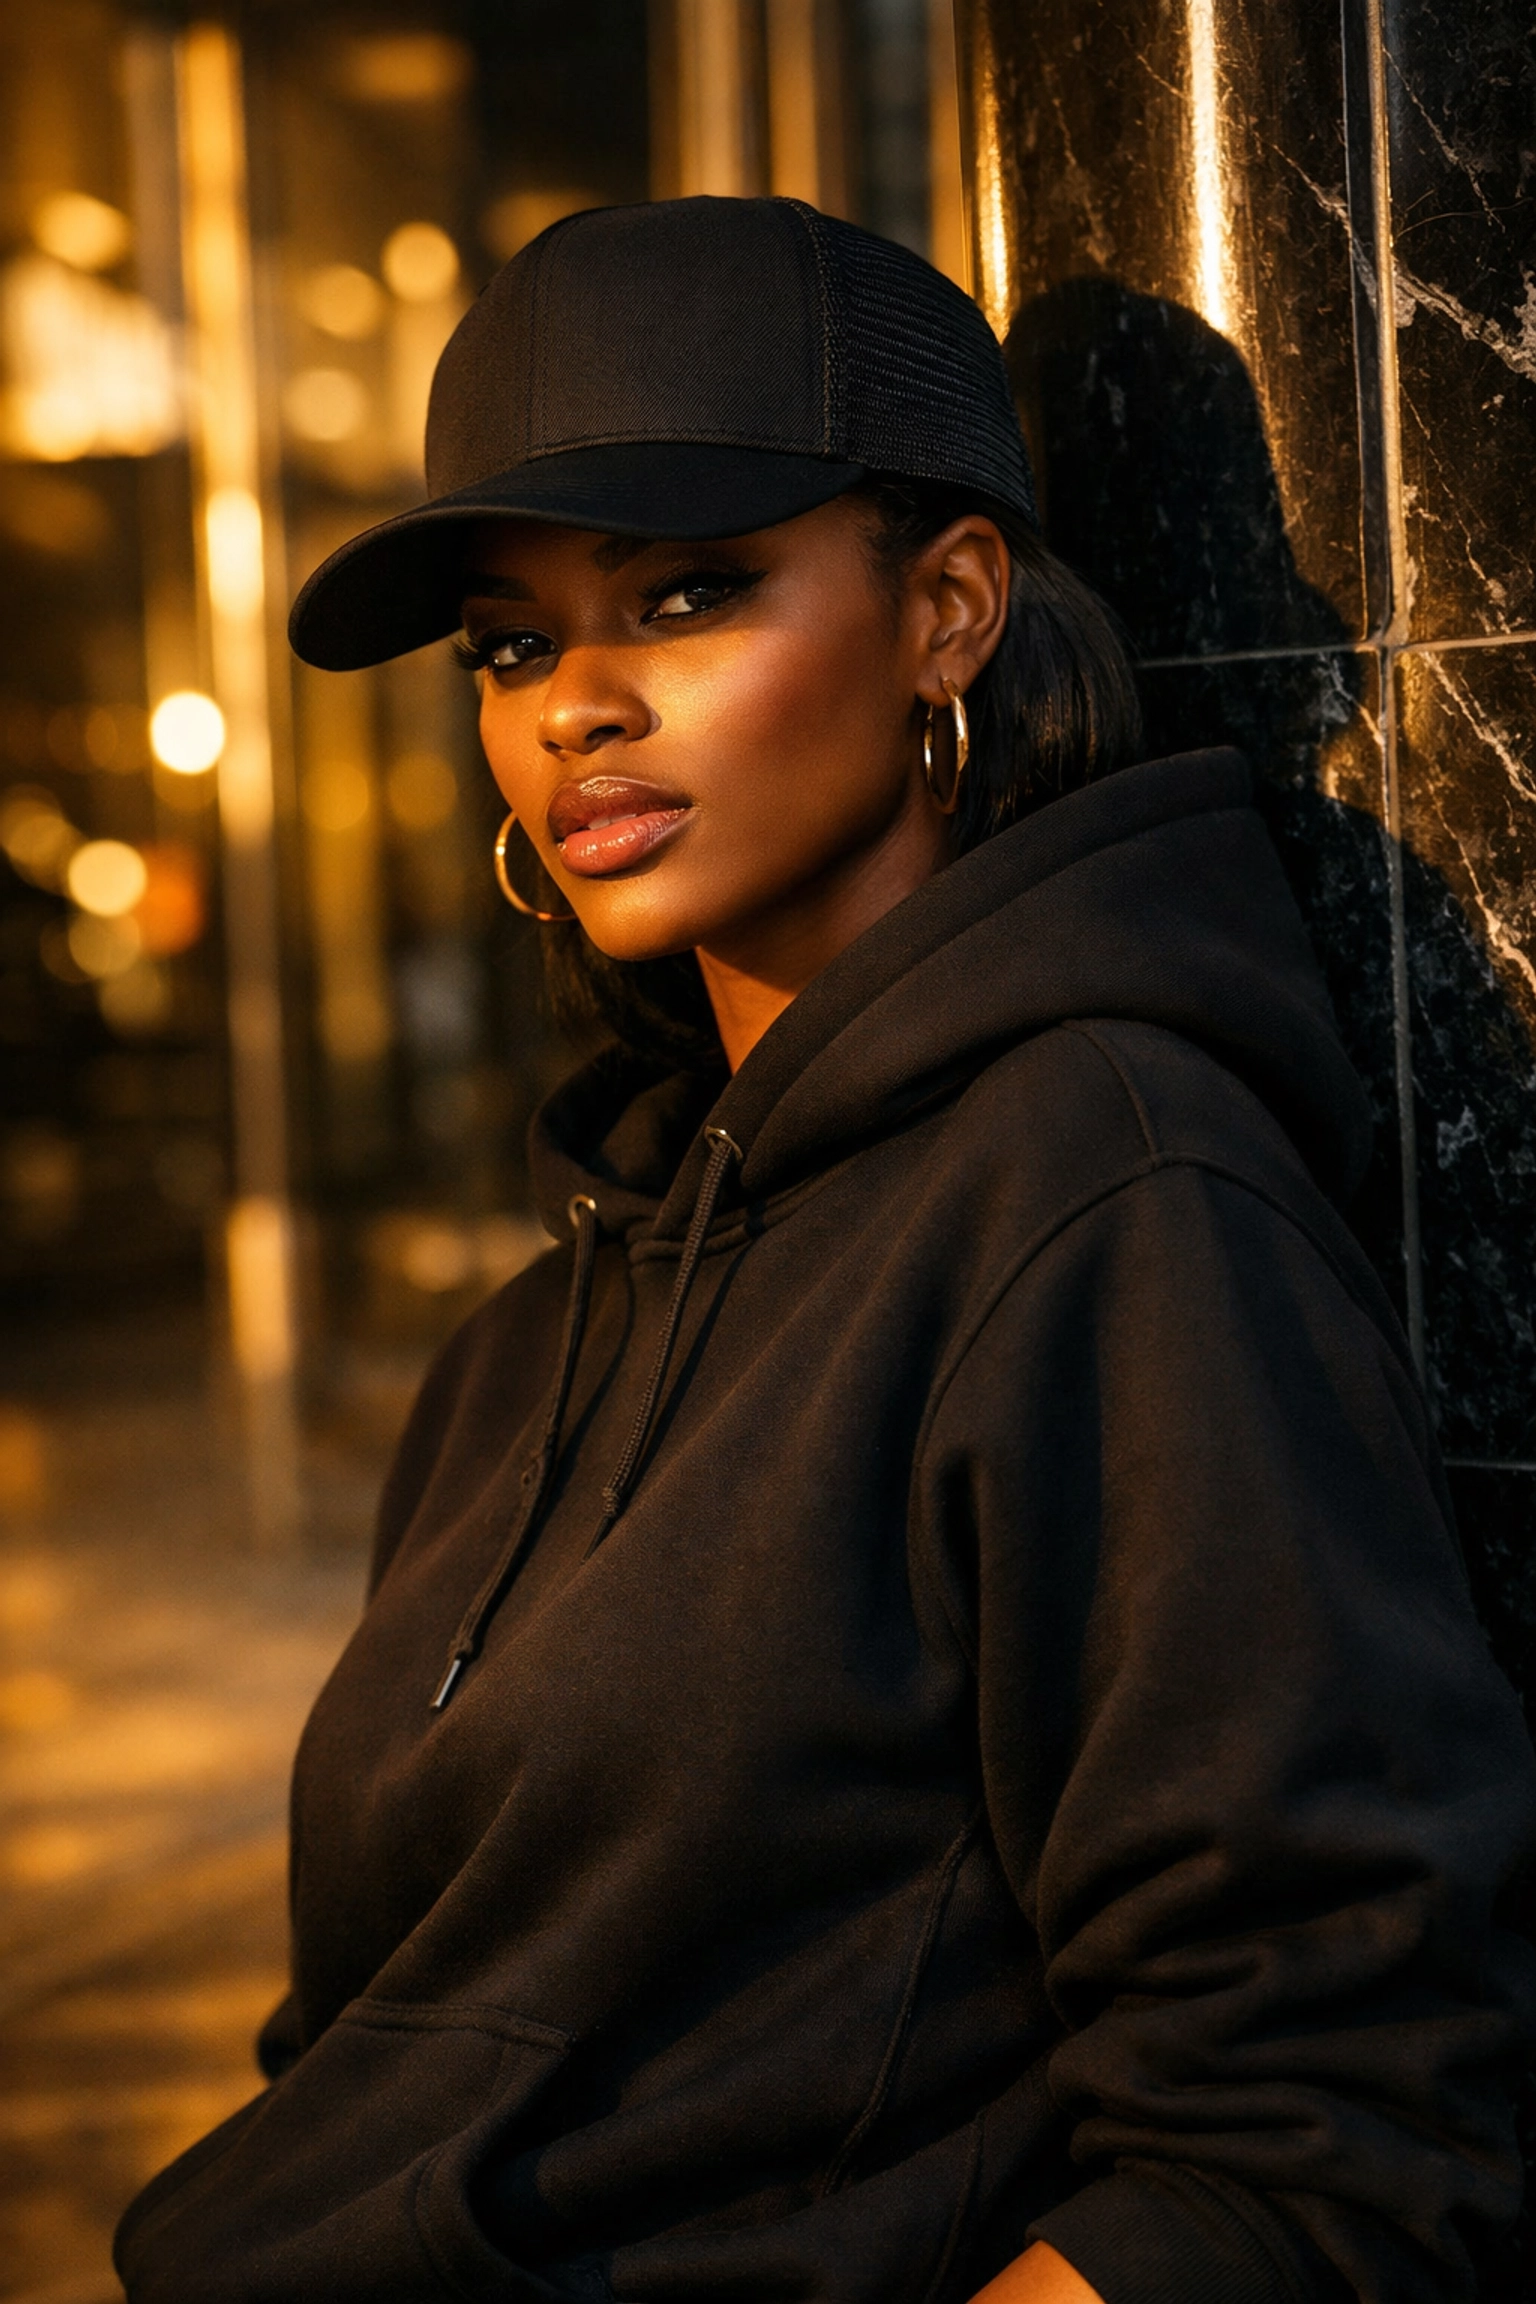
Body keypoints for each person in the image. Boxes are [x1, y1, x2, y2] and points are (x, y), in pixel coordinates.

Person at [115, 197, 1535, 2304]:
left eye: (687, 592)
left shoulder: (1108, 1199)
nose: (575, 707)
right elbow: (367, 2069)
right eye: (512, 643)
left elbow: (1331, 2147)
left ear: (950, 608)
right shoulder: (536, 1328)